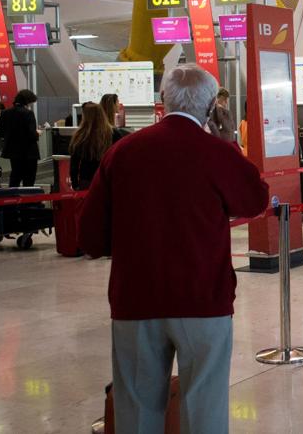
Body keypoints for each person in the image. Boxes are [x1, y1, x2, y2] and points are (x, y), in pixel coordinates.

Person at [77, 64, 269, 433]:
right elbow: (254, 199)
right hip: (202, 301)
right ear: (213, 105)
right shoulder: (217, 152)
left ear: (162, 100)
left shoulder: (124, 152)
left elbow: (90, 237)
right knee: (204, 407)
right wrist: (226, 142)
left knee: (135, 407)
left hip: (136, 300)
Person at [0, 89, 40, 187]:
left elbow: (0, 133)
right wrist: (38, 134)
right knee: (29, 178)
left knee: (15, 176)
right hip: (29, 152)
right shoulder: (28, 113)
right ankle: (27, 201)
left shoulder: (5, 113)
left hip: (13, 152)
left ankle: (12, 199)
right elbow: (32, 134)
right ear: (27, 101)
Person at [69, 102, 115, 191]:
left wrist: (75, 184)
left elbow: (74, 164)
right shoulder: (112, 134)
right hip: (107, 178)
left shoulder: (80, 136)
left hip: (86, 180)